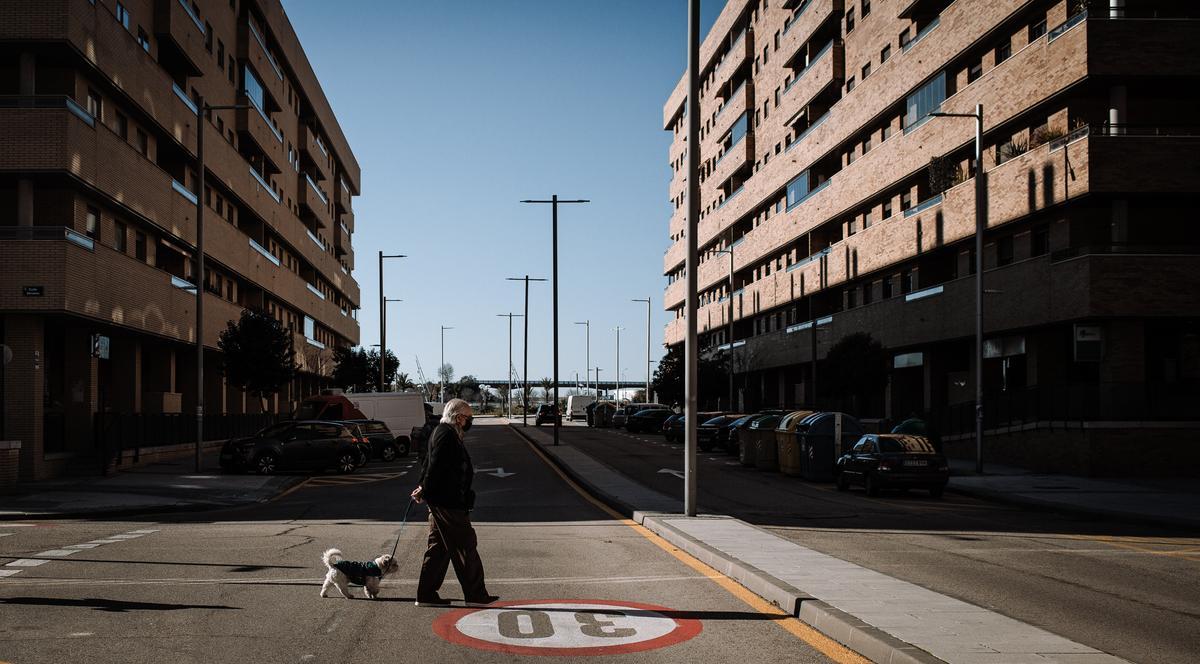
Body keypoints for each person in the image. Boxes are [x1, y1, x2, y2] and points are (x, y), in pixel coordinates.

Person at [410, 399, 497, 608]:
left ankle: (426, 595)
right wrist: (425, 488)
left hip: (443, 500)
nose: (469, 422)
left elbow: (428, 463)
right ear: (459, 417)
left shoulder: (445, 433)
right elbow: (435, 466)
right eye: (468, 417)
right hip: (448, 502)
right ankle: (476, 595)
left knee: (439, 549)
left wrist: (423, 487)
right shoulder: (446, 434)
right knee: (466, 545)